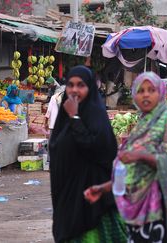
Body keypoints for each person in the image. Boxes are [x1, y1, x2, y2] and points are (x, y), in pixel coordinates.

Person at [84, 72, 167, 243]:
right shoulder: (141, 125)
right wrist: (104, 188)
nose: (146, 94)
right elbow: (132, 173)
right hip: (137, 214)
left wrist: (139, 155)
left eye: (151, 90)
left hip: (162, 212)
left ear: (160, 93)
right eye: (141, 90)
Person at [49, 65, 126, 243]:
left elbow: (97, 149)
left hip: (92, 197)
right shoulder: (63, 117)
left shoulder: (96, 115)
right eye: (70, 85)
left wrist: (75, 118)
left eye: (81, 85)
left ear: (90, 88)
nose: (74, 90)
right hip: (67, 195)